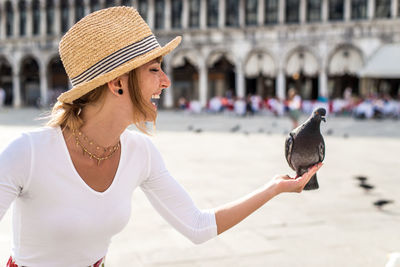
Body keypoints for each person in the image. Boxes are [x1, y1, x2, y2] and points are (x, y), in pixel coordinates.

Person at [0, 7, 322, 266]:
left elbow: (197, 226)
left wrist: (276, 187)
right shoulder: (27, 154)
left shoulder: (141, 153)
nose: (166, 81)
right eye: (154, 70)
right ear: (117, 83)